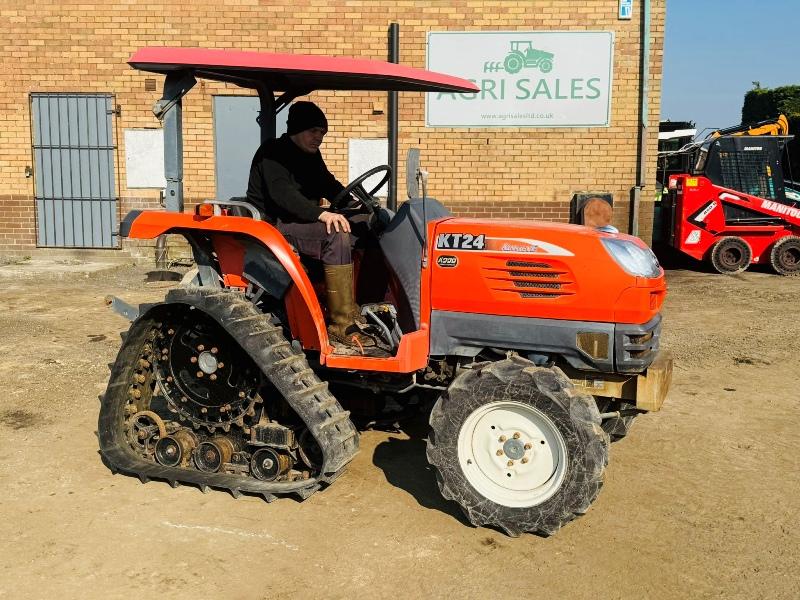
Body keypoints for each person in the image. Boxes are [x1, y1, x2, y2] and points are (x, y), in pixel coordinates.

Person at [246, 101, 375, 348]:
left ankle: (362, 306)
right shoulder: (272, 153)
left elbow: (328, 183)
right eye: (313, 131)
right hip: (275, 225)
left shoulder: (311, 155)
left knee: (365, 226)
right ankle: (341, 324)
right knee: (336, 232)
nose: (319, 138)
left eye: (322, 133)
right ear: (297, 129)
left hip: (302, 220)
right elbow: (283, 195)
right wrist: (321, 214)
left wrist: (355, 204)